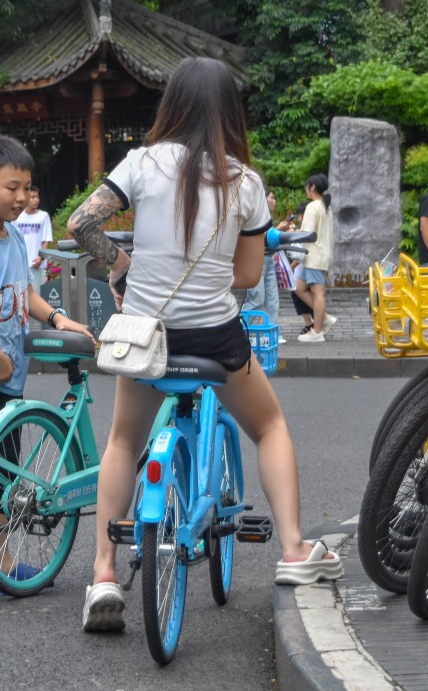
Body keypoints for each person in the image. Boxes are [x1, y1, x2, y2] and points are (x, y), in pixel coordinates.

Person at [67, 57, 343, 632]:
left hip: (146, 334)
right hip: (215, 337)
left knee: (123, 439)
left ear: (172, 104)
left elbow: (80, 224)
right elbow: (247, 277)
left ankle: (104, 574)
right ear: (229, 112)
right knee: (269, 427)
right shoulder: (246, 182)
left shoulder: (140, 163)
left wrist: (123, 265)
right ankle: (294, 549)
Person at [0, 135, 92, 595]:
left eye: (27, 187)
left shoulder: (10, 238)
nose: (22, 197)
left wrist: (57, 317)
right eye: (13, 187)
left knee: (0, 475)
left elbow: (25, 292)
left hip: (6, 378)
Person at [241, 192, 294, 344]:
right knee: (256, 299)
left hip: (269, 259)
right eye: (271, 197)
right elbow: (256, 238)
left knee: (273, 300)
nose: (274, 201)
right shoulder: (254, 213)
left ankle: (272, 334)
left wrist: (279, 232)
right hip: (255, 260)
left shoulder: (267, 218)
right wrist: (278, 229)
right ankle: (237, 329)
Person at [294, 174, 336, 343]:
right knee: (299, 287)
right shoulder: (326, 207)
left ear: (312, 187)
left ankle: (317, 332)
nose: (306, 189)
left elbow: (307, 233)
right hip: (319, 255)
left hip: (314, 256)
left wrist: (291, 234)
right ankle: (324, 317)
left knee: (318, 293)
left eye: (307, 186)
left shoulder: (312, 207)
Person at [14, 185, 54, 292]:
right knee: (20, 294)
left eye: (37, 197)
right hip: (20, 264)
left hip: (36, 263)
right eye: (33, 197)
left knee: (36, 293)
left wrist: (41, 258)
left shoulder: (43, 216)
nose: (36, 200)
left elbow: (46, 240)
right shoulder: (17, 216)